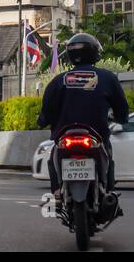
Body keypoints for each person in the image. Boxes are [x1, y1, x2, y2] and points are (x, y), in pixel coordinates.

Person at [37, 33, 129, 197]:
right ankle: (108, 190)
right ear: (95, 53)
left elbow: (47, 111)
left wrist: (42, 121)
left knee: (52, 158)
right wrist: (121, 118)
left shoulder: (58, 81)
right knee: (107, 153)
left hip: (64, 136)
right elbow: (121, 107)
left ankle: (57, 192)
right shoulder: (108, 78)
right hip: (97, 135)